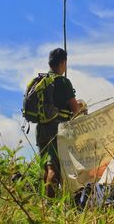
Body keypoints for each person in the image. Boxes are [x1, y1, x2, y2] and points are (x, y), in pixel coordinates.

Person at [36, 48, 82, 198]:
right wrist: (81, 106)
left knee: (45, 166)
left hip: (41, 129)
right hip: (57, 129)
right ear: (63, 62)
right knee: (54, 168)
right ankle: (50, 206)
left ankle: (43, 203)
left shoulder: (41, 81)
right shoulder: (62, 81)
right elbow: (75, 109)